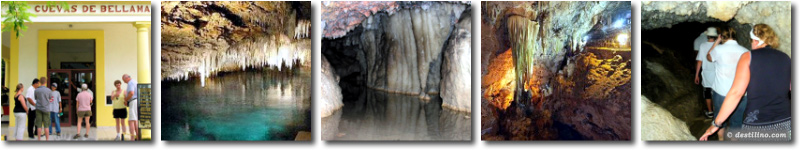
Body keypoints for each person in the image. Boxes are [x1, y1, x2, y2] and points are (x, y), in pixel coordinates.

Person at [700, 24, 791, 141]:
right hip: (785, 121)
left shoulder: (748, 57)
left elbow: (736, 93)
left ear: (754, 40)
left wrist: (716, 124)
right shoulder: (785, 57)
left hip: (757, 122)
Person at [705, 26, 749, 141]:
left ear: (722, 36)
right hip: (741, 94)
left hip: (721, 92)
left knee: (720, 120)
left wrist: (717, 42)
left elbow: (708, 57)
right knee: (737, 122)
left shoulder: (718, 50)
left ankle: (721, 141)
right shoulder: (746, 51)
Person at [695, 27, 718, 118]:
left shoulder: (703, 45)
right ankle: (717, 111)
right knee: (716, 93)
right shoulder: (719, 45)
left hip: (706, 73)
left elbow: (699, 61)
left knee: (707, 93)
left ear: (707, 36)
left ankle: (710, 112)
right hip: (717, 73)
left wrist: (697, 75)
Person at [33, 76, 52, 141]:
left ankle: (39, 139)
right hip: (46, 108)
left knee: (39, 125)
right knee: (46, 126)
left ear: (40, 82)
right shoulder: (49, 90)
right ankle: (47, 139)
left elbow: (35, 98)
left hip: (38, 108)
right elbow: (50, 98)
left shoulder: (36, 90)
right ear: (46, 82)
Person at [123, 74, 139, 141]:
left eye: (124, 80)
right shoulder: (134, 81)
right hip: (136, 101)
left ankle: (132, 138)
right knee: (135, 120)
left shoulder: (130, 83)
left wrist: (126, 99)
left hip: (133, 101)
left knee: (131, 120)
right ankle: (137, 136)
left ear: (126, 78)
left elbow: (131, 93)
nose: (124, 82)